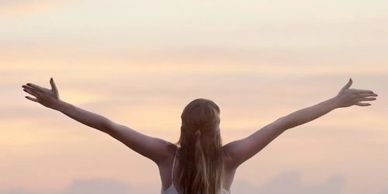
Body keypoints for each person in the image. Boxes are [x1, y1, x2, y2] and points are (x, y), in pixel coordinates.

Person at [21, 77, 377, 194]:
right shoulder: (230, 158)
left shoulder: (166, 157)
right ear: (217, 128)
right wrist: (335, 102)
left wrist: (60, 106)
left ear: (182, 124)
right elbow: (285, 122)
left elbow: (108, 125)